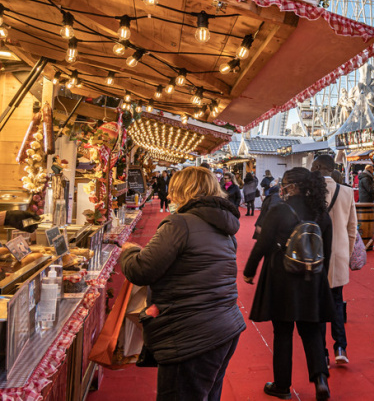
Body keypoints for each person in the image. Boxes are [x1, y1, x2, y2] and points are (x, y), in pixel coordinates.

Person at [119, 167, 246, 401]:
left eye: (173, 190)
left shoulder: (180, 223)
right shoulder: (225, 227)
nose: (169, 196)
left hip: (191, 333)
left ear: (185, 190)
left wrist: (129, 251)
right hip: (224, 325)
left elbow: (141, 269)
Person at [243, 167, 334, 400]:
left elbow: (262, 244)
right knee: (312, 330)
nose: (281, 188)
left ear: (292, 187)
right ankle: (320, 380)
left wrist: (249, 272)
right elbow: (326, 251)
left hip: (281, 278)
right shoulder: (321, 213)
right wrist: (319, 276)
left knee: (282, 332)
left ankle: (282, 386)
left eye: (284, 184)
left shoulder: (279, 210)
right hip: (312, 279)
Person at [311, 155, 357, 365]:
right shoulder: (347, 192)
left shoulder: (310, 191)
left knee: (318, 304)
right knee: (337, 300)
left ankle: (322, 352)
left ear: (319, 166)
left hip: (315, 252)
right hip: (339, 252)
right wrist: (347, 253)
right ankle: (340, 347)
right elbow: (352, 228)